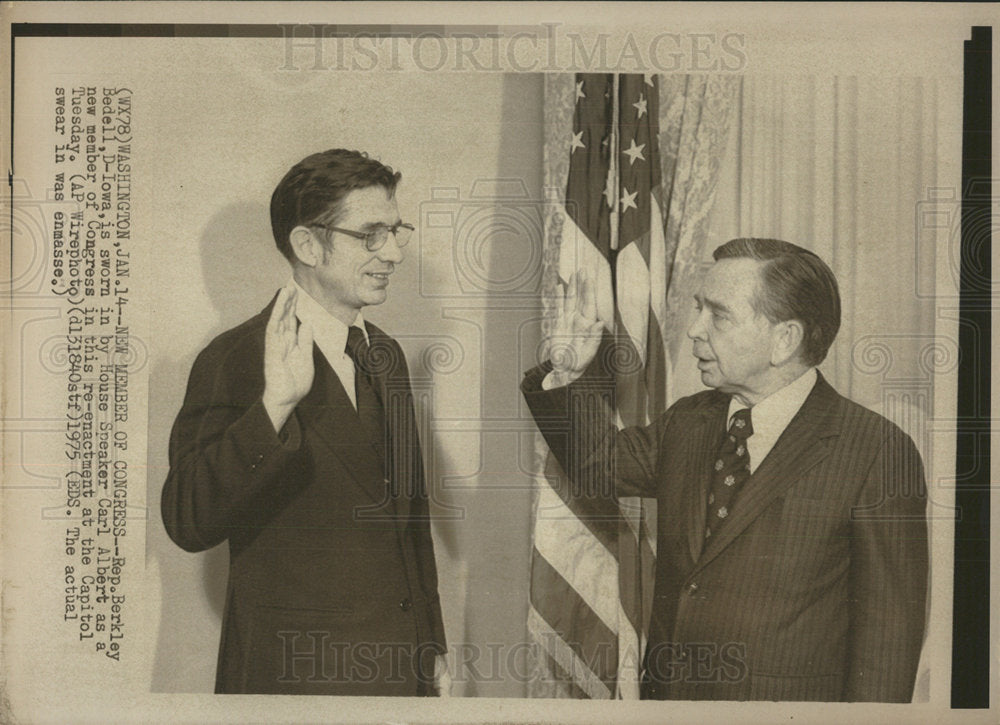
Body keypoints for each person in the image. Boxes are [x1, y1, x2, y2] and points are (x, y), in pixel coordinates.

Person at [521, 238, 928, 702]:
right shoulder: (691, 419)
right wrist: (565, 370)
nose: (694, 329)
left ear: (784, 340)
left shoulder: (876, 450)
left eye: (718, 315)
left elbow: (887, 642)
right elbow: (600, 466)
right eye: (698, 309)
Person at [161, 149, 448, 696]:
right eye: (370, 235)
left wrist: (430, 647)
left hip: (398, 676)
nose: (393, 253)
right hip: (294, 679)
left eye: (395, 231)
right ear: (306, 244)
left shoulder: (384, 355)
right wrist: (274, 409)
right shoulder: (235, 358)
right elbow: (186, 519)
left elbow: (410, 522)